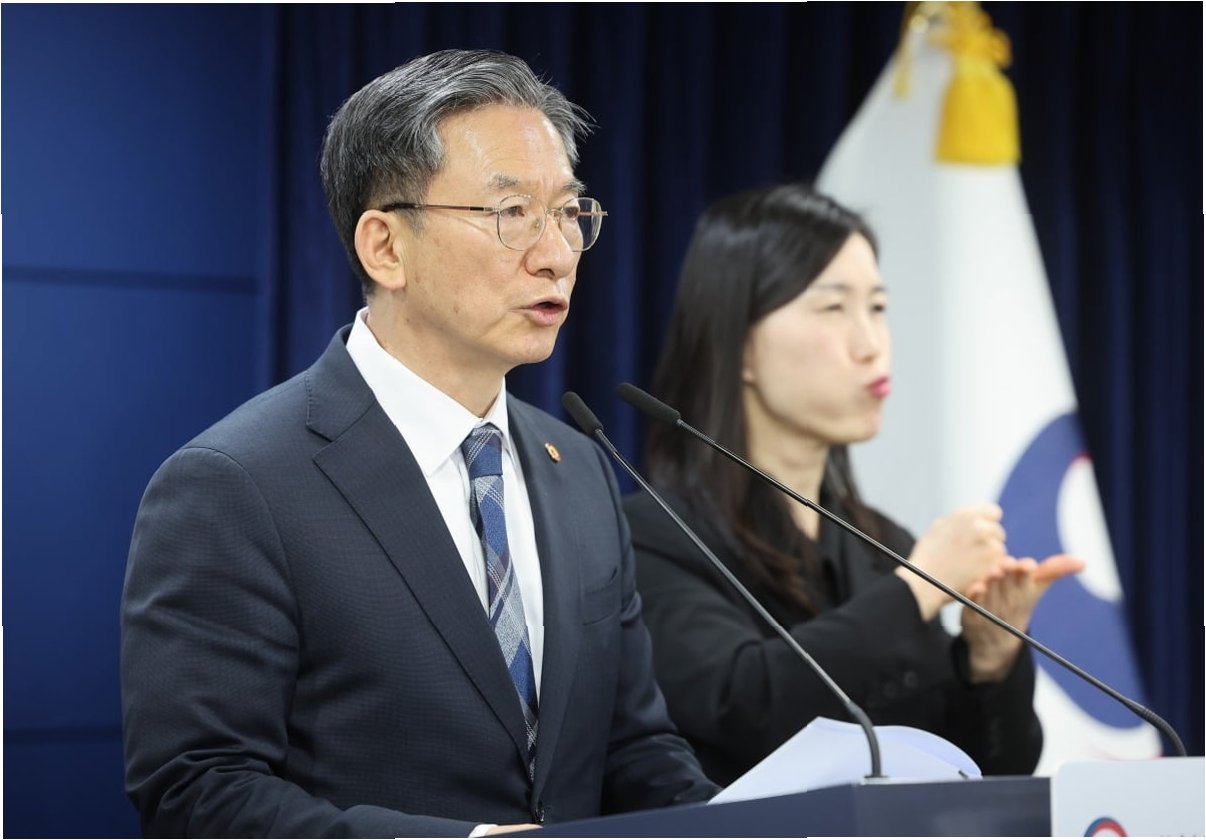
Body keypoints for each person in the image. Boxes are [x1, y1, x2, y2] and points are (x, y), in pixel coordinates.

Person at [121, 49, 719, 838]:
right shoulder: (235, 484)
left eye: (569, 213)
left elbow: (633, 748)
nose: (555, 254)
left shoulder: (578, 467)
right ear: (386, 247)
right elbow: (197, 791)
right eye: (511, 213)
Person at [623, 183, 1084, 786]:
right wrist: (916, 590)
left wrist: (988, 662)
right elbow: (746, 705)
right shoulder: (652, 535)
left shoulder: (883, 544)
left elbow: (979, 774)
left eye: (878, 307)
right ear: (739, 345)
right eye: (834, 308)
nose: (872, 345)